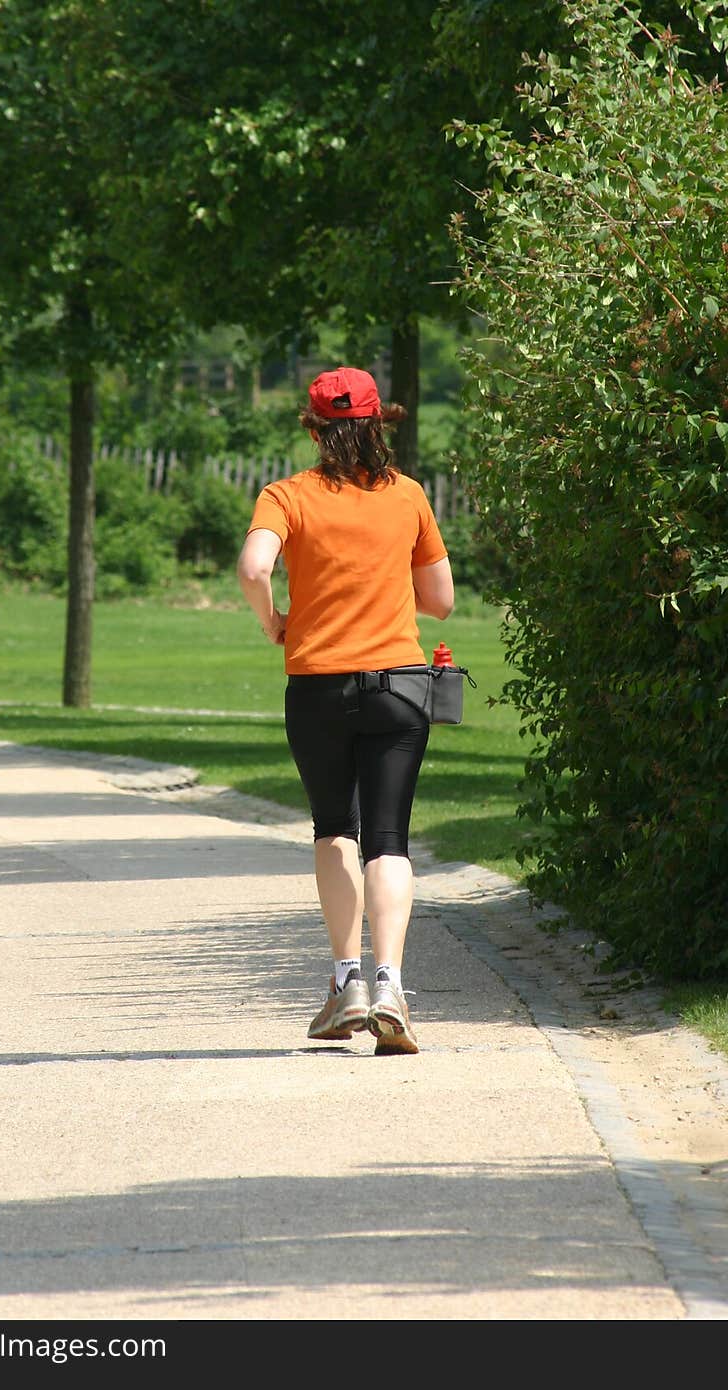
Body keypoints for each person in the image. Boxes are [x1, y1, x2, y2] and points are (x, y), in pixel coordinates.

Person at [236, 365, 454, 1055]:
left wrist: (275, 620)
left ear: (314, 426)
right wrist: (382, 590)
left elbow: (252, 567)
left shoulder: (286, 495)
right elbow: (440, 600)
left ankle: (345, 984)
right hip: (397, 684)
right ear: (376, 423)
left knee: (336, 828)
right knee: (390, 839)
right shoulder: (409, 496)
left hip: (319, 685)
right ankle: (391, 985)